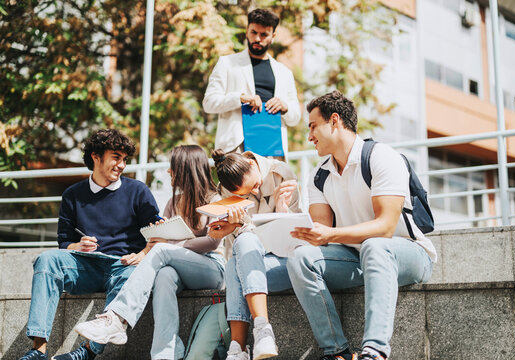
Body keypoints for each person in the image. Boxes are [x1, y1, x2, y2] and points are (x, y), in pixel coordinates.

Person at [287, 91, 438, 360]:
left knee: (375, 245)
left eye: (313, 127)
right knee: (300, 258)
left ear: (334, 121)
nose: (310, 136)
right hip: (356, 258)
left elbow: (386, 226)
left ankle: (375, 352)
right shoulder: (319, 175)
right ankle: (336, 352)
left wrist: (331, 234)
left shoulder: (381, 157)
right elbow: (322, 232)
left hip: (409, 254)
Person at [72, 145, 226, 360]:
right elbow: (160, 240)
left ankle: (117, 317)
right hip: (177, 268)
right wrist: (153, 248)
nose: (168, 172)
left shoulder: (215, 200)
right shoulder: (173, 202)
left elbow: (212, 242)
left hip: (212, 268)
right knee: (163, 277)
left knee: (163, 251)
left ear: (185, 169)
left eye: (172, 167)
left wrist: (173, 246)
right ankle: (166, 353)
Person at [19, 129, 161, 360]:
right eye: (116, 157)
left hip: (123, 265)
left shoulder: (138, 191)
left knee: (134, 274)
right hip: (85, 266)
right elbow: (64, 242)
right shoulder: (72, 195)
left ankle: (88, 352)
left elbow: (159, 233)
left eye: (124, 159)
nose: (122, 165)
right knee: (46, 260)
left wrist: (143, 253)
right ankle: (38, 350)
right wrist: (78, 245)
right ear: (96, 156)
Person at [208, 149, 300, 360]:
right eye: (246, 193)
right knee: (234, 262)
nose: (255, 191)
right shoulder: (226, 191)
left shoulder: (281, 173)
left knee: (242, 247)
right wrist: (230, 227)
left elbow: (293, 235)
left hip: (286, 259)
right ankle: (244, 344)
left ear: (251, 164)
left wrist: (281, 209)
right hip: (251, 264)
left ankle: (250, 339)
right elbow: (239, 243)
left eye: (256, 186)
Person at [203, 8, 301, 155]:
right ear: (247, 31)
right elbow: (209, 103)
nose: (257, 39)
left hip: (273, 150)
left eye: (264, 35)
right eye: (253, 32)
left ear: (273, 36)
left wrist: (285, 106)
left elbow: (295, 118)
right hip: (236, 149)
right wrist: (240, 98)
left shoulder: (284, 72)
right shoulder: (226, 63)